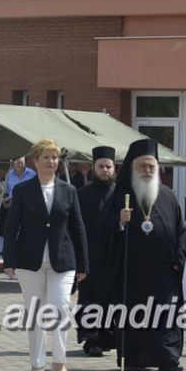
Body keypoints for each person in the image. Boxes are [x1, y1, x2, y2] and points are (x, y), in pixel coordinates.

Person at [96, 138, 186, 371]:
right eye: (142, 166)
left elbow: (180, 231)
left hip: (164, 270)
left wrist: (179, 258)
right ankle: (135, 357)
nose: (147, 171)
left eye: (151, 166)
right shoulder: (121, 196)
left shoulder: (168, 196)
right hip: (132, 269)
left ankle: (168, 358)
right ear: (133, 168)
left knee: (165, 314)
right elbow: (102, 230)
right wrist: (119, 221)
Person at [3, 138, 88, 371]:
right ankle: (37, 363)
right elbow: (11, 228)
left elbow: (78, 228)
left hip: (63, 262)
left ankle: (59, 363)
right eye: (47, 157)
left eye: (55, 157)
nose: (52, 162)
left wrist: (83, 264)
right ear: (35, 161)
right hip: (30, 262)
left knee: (61, 309)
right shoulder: (22, 190)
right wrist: (9, 260)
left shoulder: (69, 190)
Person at [76, 146, 117, 357]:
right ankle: (91, 340)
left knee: (111, 298)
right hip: (90, 256)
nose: (105, 170)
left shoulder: (121, 194)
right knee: (90, 298)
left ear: (114, 168)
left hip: (113, 256)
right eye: (101, 166)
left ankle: (108, 337)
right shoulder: (82, 195)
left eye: (108, 167)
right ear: (94, 168)